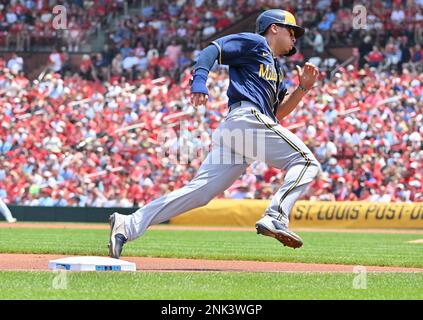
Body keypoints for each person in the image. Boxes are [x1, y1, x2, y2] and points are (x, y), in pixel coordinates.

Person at [108, 9, 321, 259]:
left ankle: (129, 224)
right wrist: (199, 80)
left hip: (243, 130)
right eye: (291, 30)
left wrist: (302, 89)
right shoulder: (256, 43)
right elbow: (212, 50)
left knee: (200, 192)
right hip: (244, 119)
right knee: (306, 162)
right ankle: (276, 216)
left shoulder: (277, 70)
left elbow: (276, 116)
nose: (295, 37)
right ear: (274, 28)